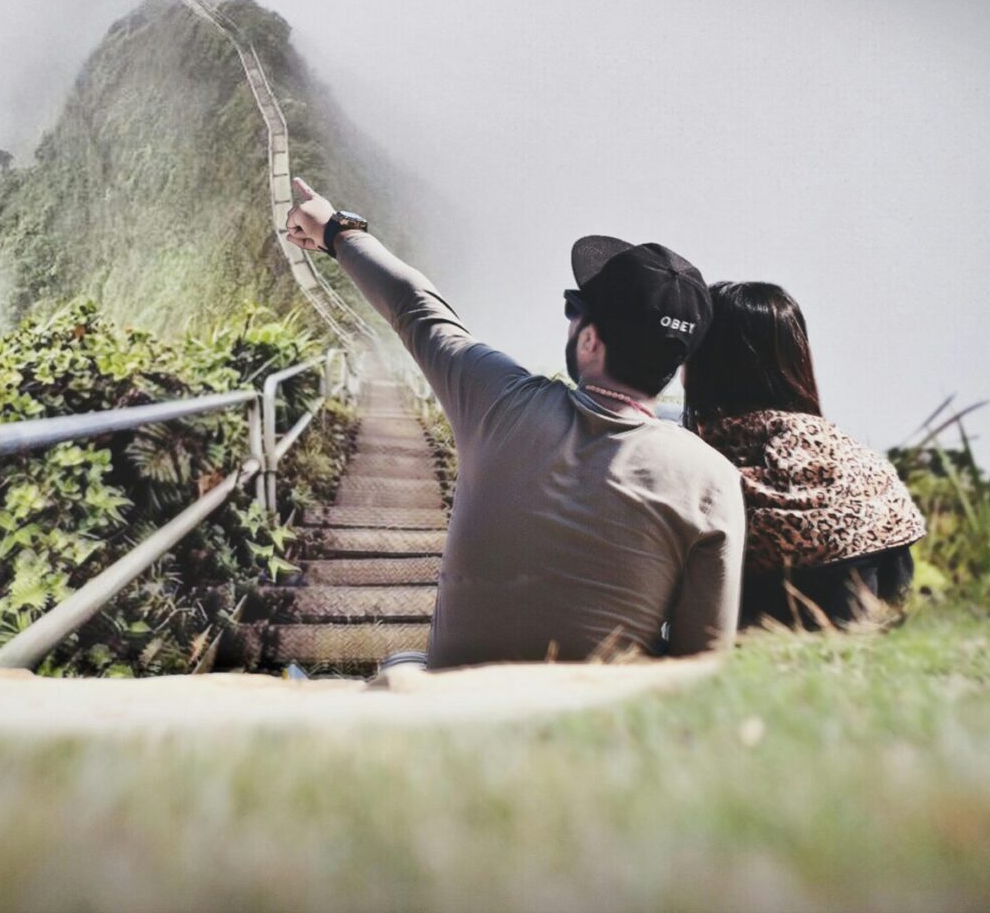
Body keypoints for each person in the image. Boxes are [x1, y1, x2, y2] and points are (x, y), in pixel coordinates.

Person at [284, 178, 745, 668]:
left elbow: (415, 306)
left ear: (590, 342)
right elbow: (701, 664)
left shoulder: (500, 402)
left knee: (401, 666)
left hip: (457, 709)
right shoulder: (712, 482)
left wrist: (336, 230)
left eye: (575, 312)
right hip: (596, 732)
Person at [683, 281, 926, 627]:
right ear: (799, 359)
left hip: (736, 673)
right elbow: (898, 593)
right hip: (857, 669)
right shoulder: (867, 472)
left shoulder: (689, 471)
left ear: (702, 364)